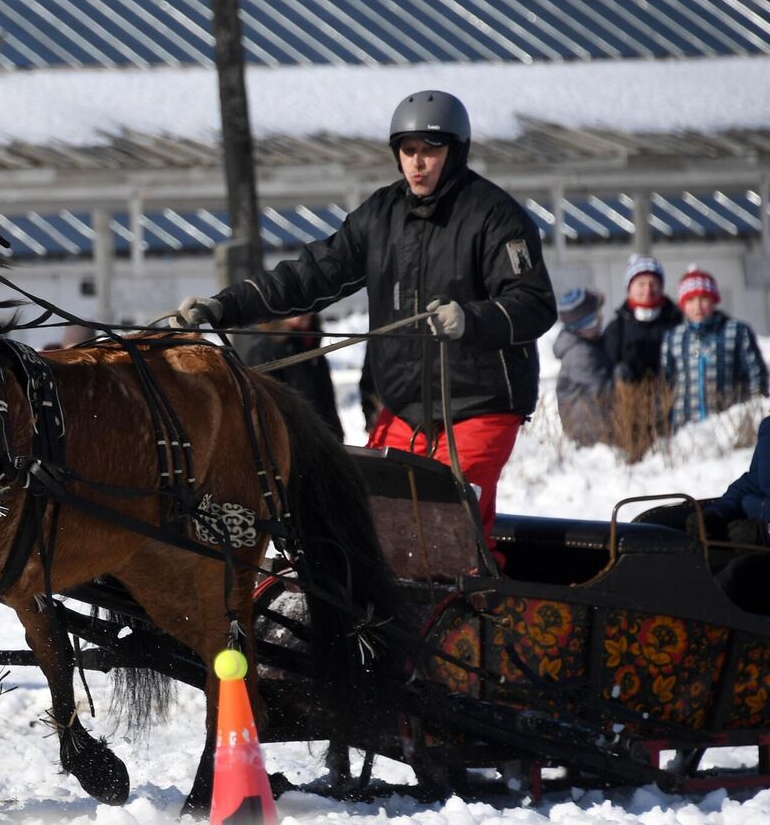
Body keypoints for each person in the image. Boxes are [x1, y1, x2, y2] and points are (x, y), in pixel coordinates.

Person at [177, 89, 556, 543]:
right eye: (408, 150)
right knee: (376, 526)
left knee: (441, 531)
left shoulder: (495, 216)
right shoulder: (382, 213)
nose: (418, 163)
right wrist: (227, 304)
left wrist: (471, 319)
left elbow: (534, 303)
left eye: (430, 151)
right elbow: (312, 275)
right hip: (403, 407)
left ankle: (478, 610)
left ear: (455, 152)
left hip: (480, 406)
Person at [659, 266, 767, 431]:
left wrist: (755, 410)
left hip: (730, 424)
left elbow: (756, 374)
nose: (698, 306)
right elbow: (665, 383)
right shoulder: (674, 338)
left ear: (714, 300)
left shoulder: (736, 331)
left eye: (704, 298)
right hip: (687, 429)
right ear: (682, 304)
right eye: (691, 300)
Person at [232, 312, 343, 440]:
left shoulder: (312, 342)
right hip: (289, 442)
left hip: (323, 439)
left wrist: (335, 439)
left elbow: (327, 401)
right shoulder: (265, 349)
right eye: (297, 306)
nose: (305, 312)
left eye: (307, 305)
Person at [704, 416, 770, 614]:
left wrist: (764, 531)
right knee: (692, 560)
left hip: (762, 541)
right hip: (753, 539)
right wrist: (715, 514)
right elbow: (752, 481)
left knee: (739, 575)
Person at [598, 254, 680, 386]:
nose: (647, 290)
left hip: (669, 400)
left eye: (653, 284)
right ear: (630, 287)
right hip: (630, 402)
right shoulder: (617, 328)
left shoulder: (676, 322)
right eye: (641, 284)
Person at [553, 286, 613, 446]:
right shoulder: (579, 353)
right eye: (594, 319)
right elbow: (601, 389)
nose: (600, 321)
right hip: (587, 430)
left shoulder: (587, 344)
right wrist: (623, 377)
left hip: (592, 425)